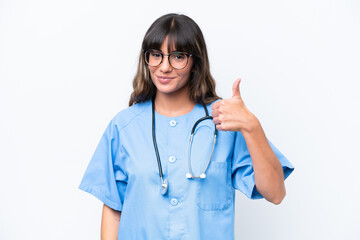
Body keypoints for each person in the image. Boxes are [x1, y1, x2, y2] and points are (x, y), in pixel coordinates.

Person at [79, 13, 294, 240]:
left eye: (178, 56)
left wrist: (252, 126)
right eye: (156, 55)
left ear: (195, 62)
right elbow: (114, 209)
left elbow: (275, 193)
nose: (164, 67)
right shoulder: (123, 127)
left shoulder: (225, 122)